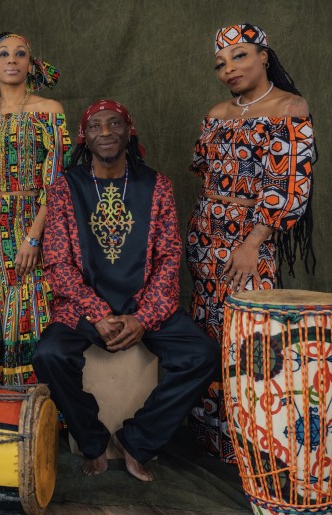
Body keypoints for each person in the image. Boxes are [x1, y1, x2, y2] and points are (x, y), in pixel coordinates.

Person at [33, 100, 218, 481]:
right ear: (84, 136)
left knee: (203, 354)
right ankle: (93, 440)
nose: (105, 132)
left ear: (128, 131)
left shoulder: (156, 184)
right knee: (49, 355)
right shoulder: (67, 187)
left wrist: (144, 317)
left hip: (144, 305)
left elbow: (169, 258)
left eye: (114, 124)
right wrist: (97, 313)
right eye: (96, 126)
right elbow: (56, 261)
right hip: (83, 310)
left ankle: (138, 440)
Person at [186, 23, 314, 462]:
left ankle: (252, 444)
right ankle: (210, 438)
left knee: (246, 332)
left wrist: (254, 239)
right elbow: (203, 167)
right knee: (206, 326)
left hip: (248, 238)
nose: (229, 69)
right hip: (205, 235)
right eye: (221, 63)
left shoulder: (289, 107)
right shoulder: (218, 111)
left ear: (263, 55)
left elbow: (288, 185)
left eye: (239, 56)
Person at [0, 32, 70, 386]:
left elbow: (57, 179)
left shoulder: (49, 111)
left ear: (29, 63)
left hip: (33, 220)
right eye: (3, 54)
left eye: (20, 54)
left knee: (33, 305)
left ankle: (41, 410)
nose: (11, 60)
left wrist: (35, 236)